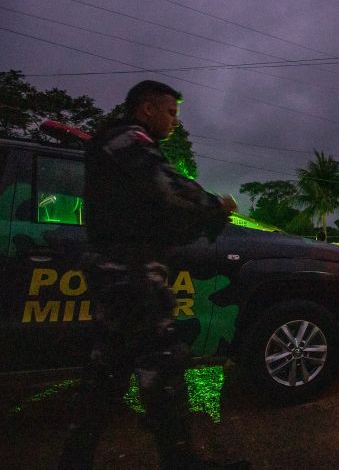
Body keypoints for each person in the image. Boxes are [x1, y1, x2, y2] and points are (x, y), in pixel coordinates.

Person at [59, 81, 242, 469]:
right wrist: (214, 205)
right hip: (131, 272)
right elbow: (168, 186)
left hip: (120, 270)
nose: (175, 120)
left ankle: (75, 459)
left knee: (107, 372)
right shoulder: (129, 139)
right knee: (161, 365)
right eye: (170, 112)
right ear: (146, 109)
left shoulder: (117, 142)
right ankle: (181, 461)